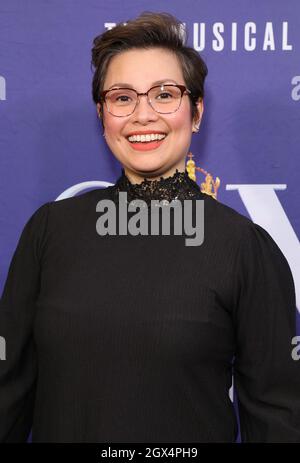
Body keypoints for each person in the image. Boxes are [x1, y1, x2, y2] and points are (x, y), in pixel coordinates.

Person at [0, 11, 299, 443]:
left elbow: (279, 417)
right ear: (102, 114)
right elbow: (8, 394)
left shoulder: (243, 247)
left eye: (164, 94)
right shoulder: (50, 232)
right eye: (122, 98)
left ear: (196, 111)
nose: (143, 115)